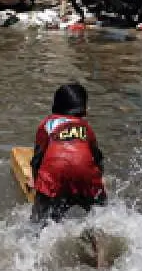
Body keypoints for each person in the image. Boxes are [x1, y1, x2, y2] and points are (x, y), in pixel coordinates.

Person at [30, 83, 106, 225]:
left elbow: (36, 160)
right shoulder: (86, 128)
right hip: (86, 176)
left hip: (55, 175)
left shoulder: (47, 125)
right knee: (99, 214)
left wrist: (38, 188)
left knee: (39, 222)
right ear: (83, 108)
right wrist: (99, 186)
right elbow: (98, 160)